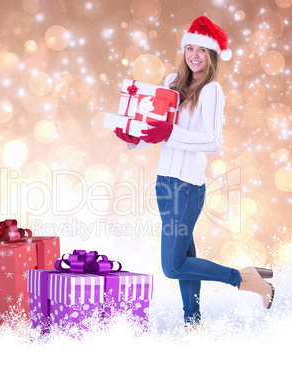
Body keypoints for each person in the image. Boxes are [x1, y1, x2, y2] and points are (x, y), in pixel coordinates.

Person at [115, 16, 275, 329]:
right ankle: (193, 323)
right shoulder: (172, 82)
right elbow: (157, 129)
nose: (194, 56)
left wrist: (169, 132)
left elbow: (213, 141)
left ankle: (244, 278)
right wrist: (134, 139)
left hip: (187, 189)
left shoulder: (212, 91)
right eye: (190, 48)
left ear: (212, 56)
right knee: (185, 258)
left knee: (173, 266)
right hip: (164, 185)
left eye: (202, 51)